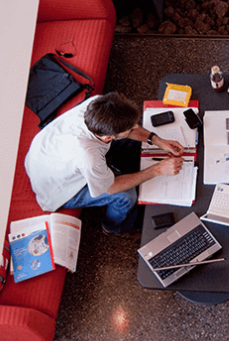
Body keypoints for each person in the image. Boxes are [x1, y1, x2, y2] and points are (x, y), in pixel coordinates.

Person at [25, 92, 185, 235]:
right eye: (129, 131)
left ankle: (118, 161)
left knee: (133, 143)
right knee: (126, 196)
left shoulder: (96, 104)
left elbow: (131, 129)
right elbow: (111, 187)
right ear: (108, 137)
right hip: (55, 191)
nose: (135, 129)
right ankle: (113, 227)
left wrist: (157, 140)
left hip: (42, 155)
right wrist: (157, 170)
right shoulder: (89, 157)